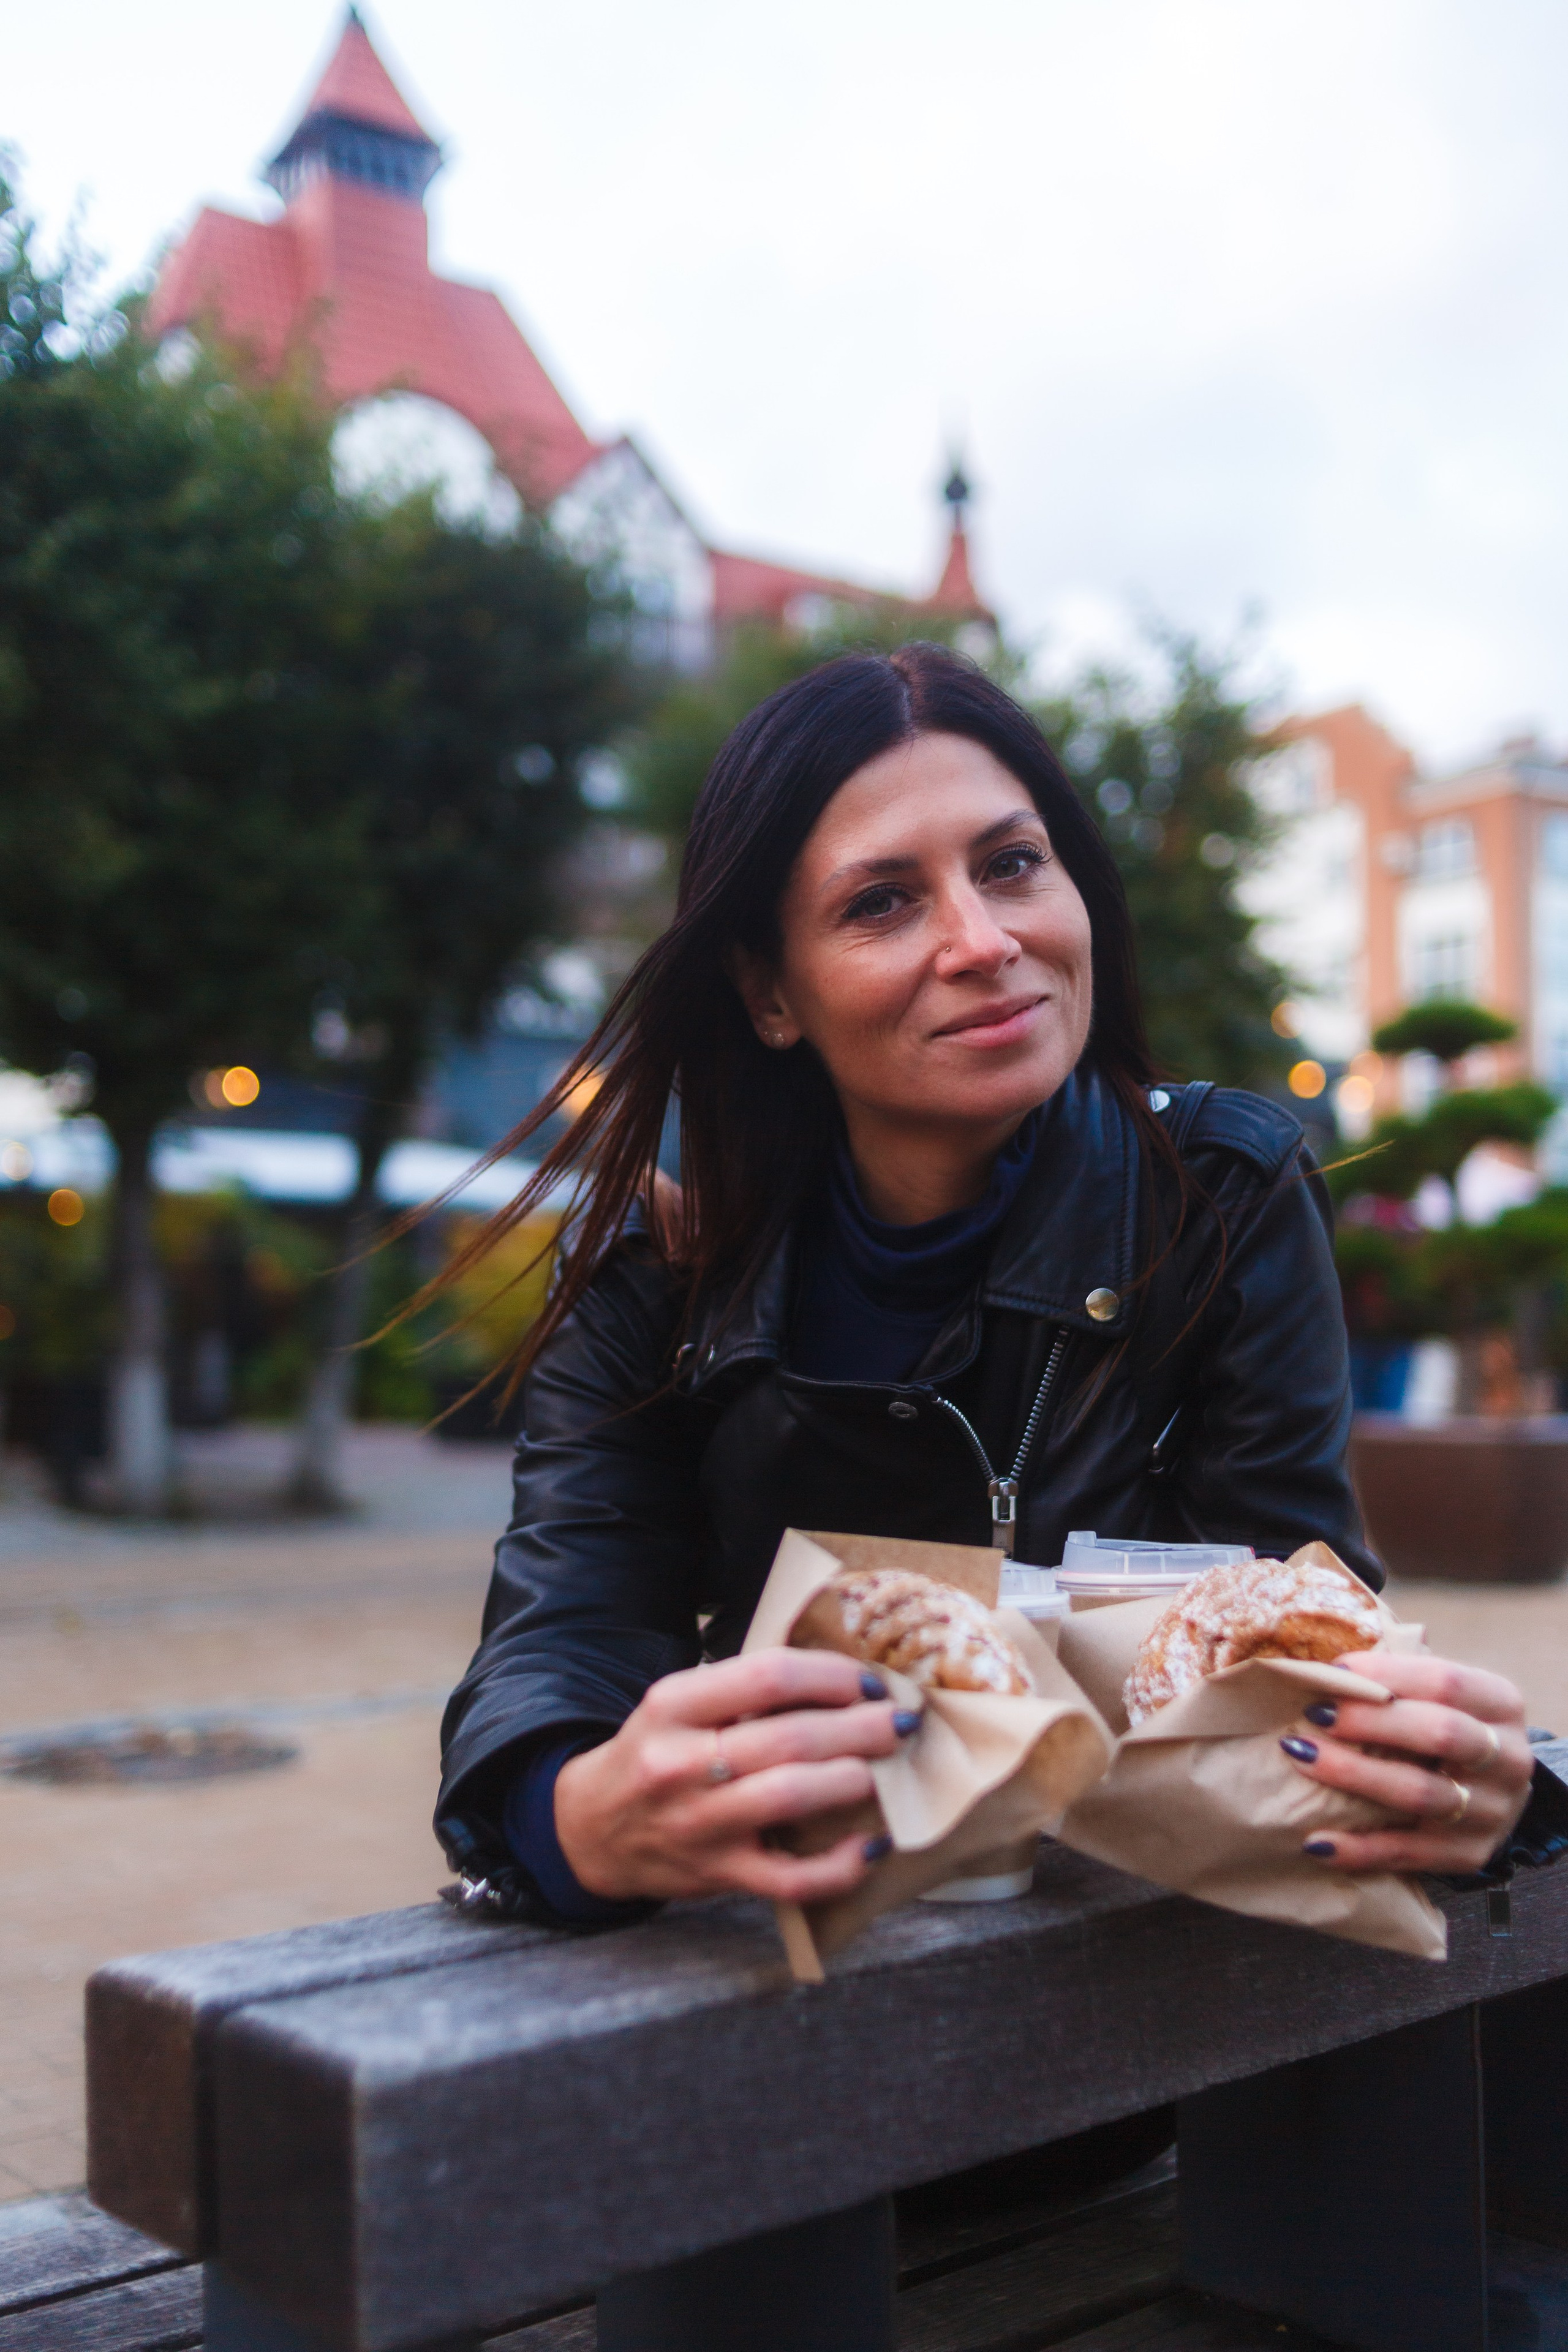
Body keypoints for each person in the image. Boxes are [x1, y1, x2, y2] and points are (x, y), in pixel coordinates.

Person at [435, 643, 1538, 1918]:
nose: (982, 940)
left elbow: (1295, 1635)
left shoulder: (1217, 1198)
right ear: (769, 992)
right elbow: (561, 1642)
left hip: (1146, 1968)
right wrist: (575, 1817)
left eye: (1010, 865)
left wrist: (1454, 1784)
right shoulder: (656, 1273)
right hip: (780, 1959)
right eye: (881, 902)